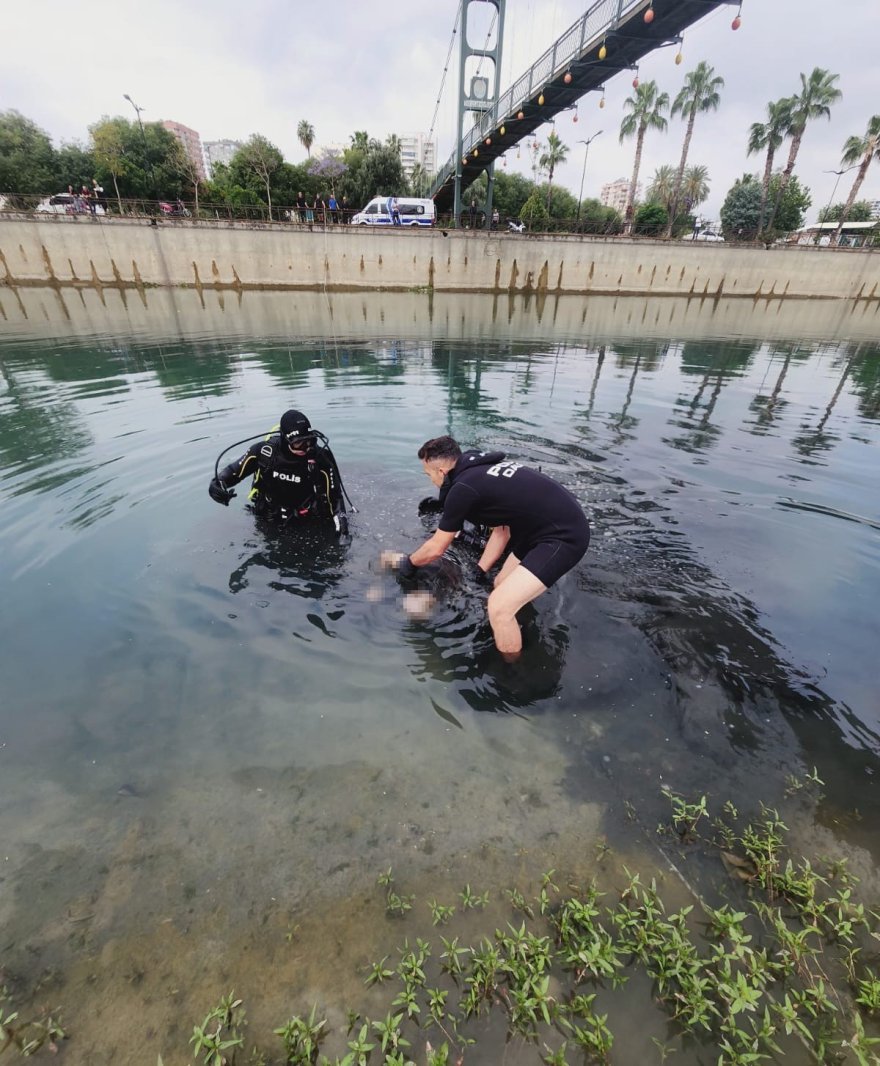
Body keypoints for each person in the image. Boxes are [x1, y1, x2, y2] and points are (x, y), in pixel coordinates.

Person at [382, 436, 589, 659]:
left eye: (429, 474)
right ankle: (519, 629)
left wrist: (408, 563)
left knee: (499, 608)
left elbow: (436, 548)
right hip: (538, 529)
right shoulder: (478, 466)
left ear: (441, 471)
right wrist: (479, 572)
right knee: (500, 584)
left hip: (564, 536)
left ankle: (513, 671)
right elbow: (502, 531)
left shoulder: (462, 488)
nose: (431, 481)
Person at [208, 409, 349, 537]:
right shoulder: (263, 452)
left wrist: (342, 526)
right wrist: (217, 485)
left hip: (307, 518)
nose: (305, 448)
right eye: (298, 443)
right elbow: (232, 473)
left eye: (309, 441)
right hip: (268, 516)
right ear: (285, 439)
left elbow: (335, 497)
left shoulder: (320, 457)